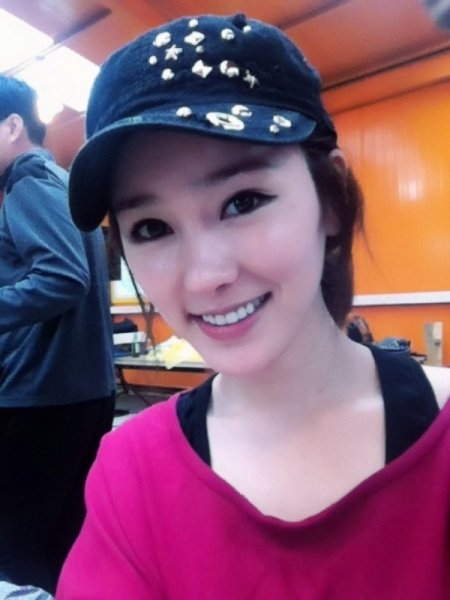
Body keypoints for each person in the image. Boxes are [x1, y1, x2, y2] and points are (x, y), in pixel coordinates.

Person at [57, 14, 450, 599]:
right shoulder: (131, 472)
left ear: (330, 199)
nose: (205, 276)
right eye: (151, 227)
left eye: (243, 201)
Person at [0, 76, 116, 593]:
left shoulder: (28, 181)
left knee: (14, 545)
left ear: (12, 126)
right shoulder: (62, 181)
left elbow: (64, 277)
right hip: (80, 393)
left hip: (41, 397)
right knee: (60, 536)